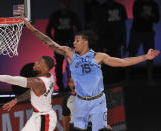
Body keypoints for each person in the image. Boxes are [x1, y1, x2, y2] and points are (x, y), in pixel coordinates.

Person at [23, 17, 159, 131]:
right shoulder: (70, 54)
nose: (74, 43)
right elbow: (49, 42)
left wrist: (144, 57)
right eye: (74, 40)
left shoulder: (98, 57)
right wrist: (33, 29)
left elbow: (122, 62)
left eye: (77, 40)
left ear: (85, 42)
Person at [0, 56, 57, 131]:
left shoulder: (37, 82)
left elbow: (12, 80)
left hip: (44, 118)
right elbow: (31, 91)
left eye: (39, 62)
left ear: (45, 68)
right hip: (38, 116)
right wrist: (16, 100)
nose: (36, 62)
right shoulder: (50, 76)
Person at [46, 0, 82, 93]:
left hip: (70, 43)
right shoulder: (55, 16)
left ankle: (73, 86)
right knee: (59, 65)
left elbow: (80, 29)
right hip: (59, 44)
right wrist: (53, 43)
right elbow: (48, 30)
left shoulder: (72, 15)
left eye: (66, 2)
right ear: (60, 3)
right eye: (63, 2)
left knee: (72, 65)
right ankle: (61, 87)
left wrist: (77, 42)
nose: (65, 4)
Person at [128, 0, 160, 82]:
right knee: (132, 54)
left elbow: (156, 19)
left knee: (150, 56)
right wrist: (150, 16)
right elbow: (136, 15)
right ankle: (127, 78)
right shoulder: (138, 2)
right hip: (136, 32)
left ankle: (149, 79)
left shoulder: (153, 4)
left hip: (148, 32)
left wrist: (145, 16)